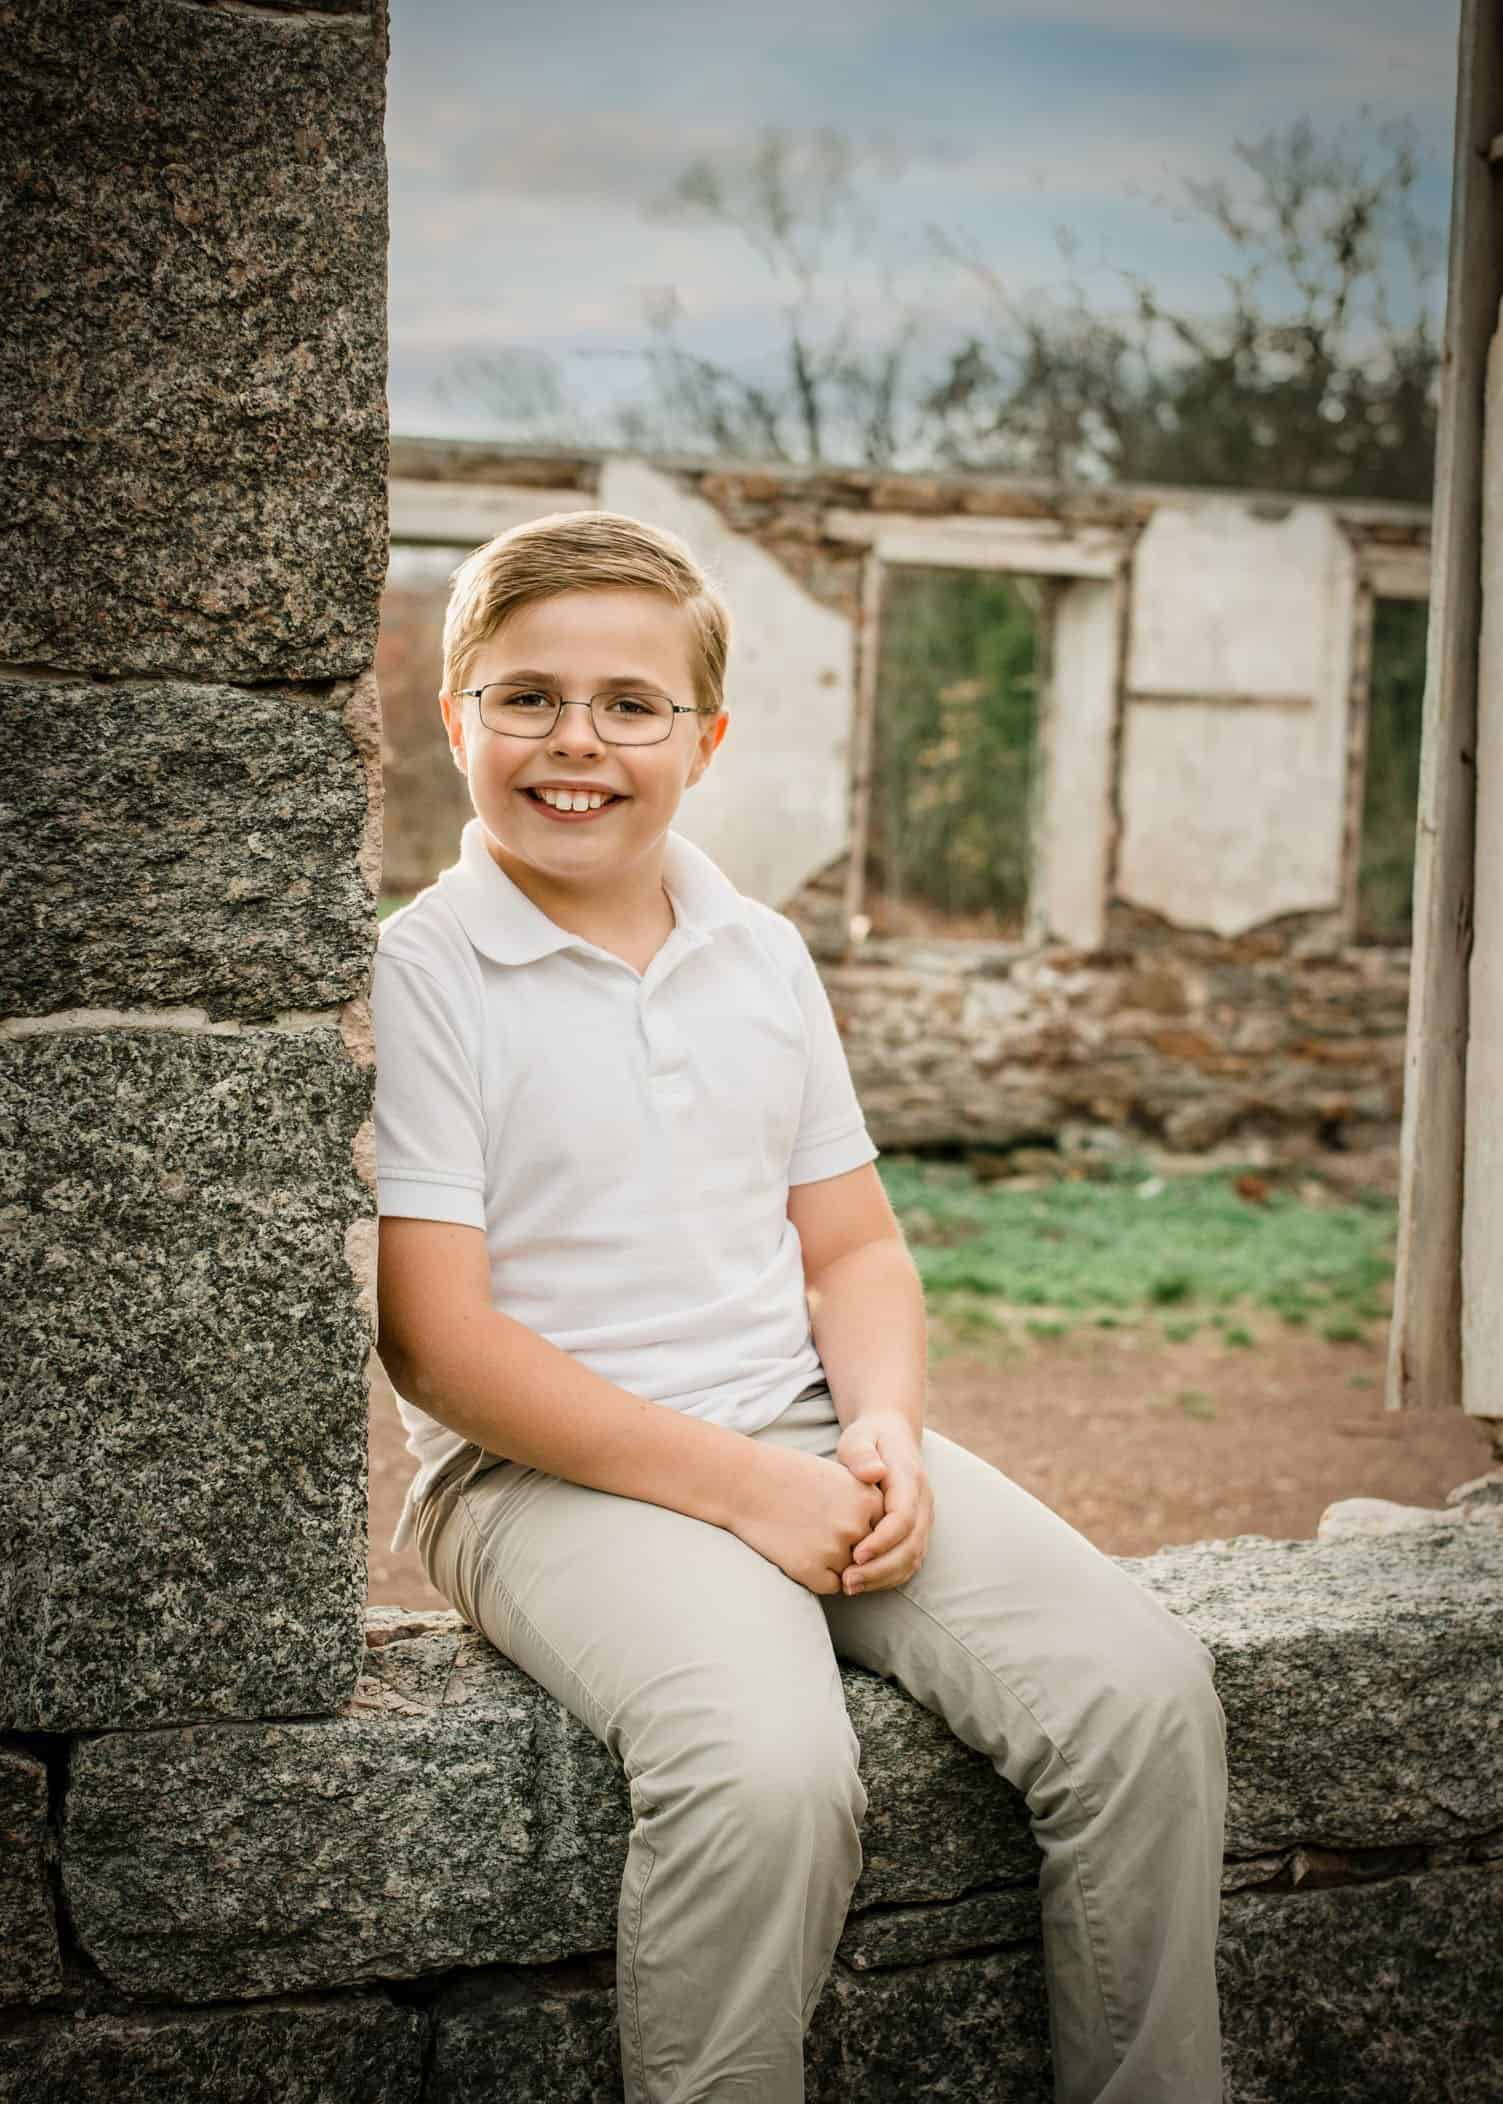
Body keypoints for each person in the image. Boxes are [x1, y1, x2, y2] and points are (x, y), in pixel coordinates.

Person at [370, 509, 1228, 2104]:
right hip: (538, 1477)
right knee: (769, 1775)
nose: (578, 742)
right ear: (454, 715)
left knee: (1142, 1697)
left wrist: (883, 1430)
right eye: (528, 697)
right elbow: (441, 1343)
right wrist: (752, 1491)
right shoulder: (420, 974)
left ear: (703, 738)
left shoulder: (761, 957)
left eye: (631, 706)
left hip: (809, 1432)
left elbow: (853, 1255)